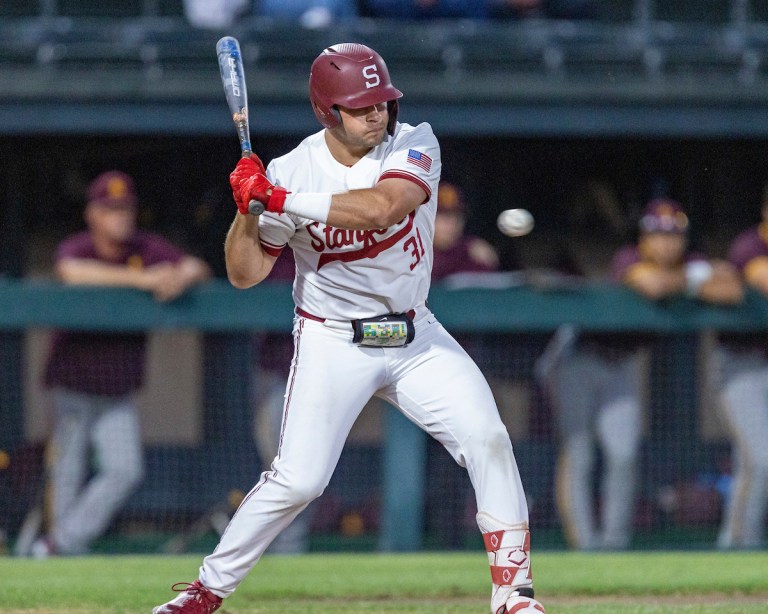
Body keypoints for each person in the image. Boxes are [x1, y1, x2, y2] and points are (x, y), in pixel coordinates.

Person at [153, 43, 545, 614]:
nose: (376, 115)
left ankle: (513, 596)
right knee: (299, 480)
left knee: (487, 437)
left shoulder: (415, 142)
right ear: (325, 112)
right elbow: (244, 273)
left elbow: (384, 207)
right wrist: (248, 208)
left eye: (381, 102)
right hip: (332, 337)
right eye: (361, 107)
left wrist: (279, 198)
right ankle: (204, 592)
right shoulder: (291, 169)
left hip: (415, 335)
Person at [539, 198, 742, 551]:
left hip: (622, 364)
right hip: (577, 356)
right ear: (644, 237)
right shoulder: (628, 257)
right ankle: (583, 547)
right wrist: (696, 280)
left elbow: (731, 288)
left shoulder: (689, 263)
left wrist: (694, 276)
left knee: (624, 452)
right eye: (658, 234)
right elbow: (653, 286)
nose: (667, 242)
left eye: (674, 234)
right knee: (580, 453)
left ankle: (614, 545)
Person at [34, 170, 211, 557]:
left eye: (125, 208)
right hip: (72, 383)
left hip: (117, 389)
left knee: (125, 469)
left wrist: (182, 274)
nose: (120, 216)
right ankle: (58, 560)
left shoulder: (147, 247)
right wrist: (141, 280)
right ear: (93, 214)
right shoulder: (80, 247)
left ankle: (60, 545)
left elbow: (198, 267)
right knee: (66, 475)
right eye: (110, 209)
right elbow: (69, 271)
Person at [716, 185, 768, 549]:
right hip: (740, 364)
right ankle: (737, 544)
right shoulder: (749, 245)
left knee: (752, 462)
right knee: (761, 459)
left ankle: (738, 544)